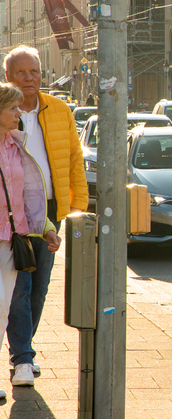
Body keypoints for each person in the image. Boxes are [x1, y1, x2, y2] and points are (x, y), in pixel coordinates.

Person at [4, 46, 88, 387]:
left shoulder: (59, 109)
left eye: (34, 71)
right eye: (21, 72)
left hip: (49, 211)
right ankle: (22, 357)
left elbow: (74, 158)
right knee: (20, 286)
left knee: (39, 288)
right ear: (8, 76)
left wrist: (76, 206)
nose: (29, 78)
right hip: (12, 211)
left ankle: (23, 347)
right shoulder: (3, 112)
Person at [0, 82, 60, 396]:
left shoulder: (16, 145)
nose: (18, 114)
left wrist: (47, 226)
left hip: (15, 238)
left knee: (7, 305)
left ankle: (17, 363)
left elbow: (29, 196)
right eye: (12, 108)